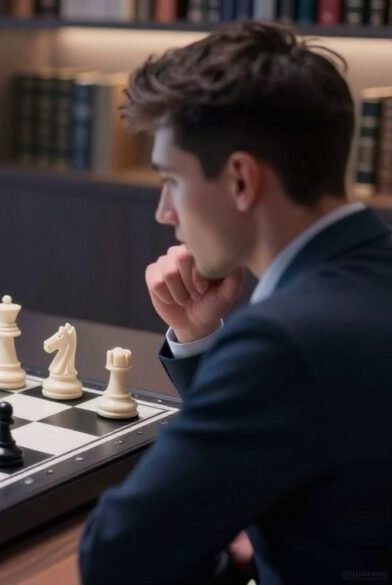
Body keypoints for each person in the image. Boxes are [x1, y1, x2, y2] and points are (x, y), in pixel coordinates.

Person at [79, 21, 392, 585]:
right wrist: (203, 339)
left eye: (172, 179)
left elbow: (118, 556)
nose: (164, 212)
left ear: (243, 179)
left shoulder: (284, 342)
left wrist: (229, 559)